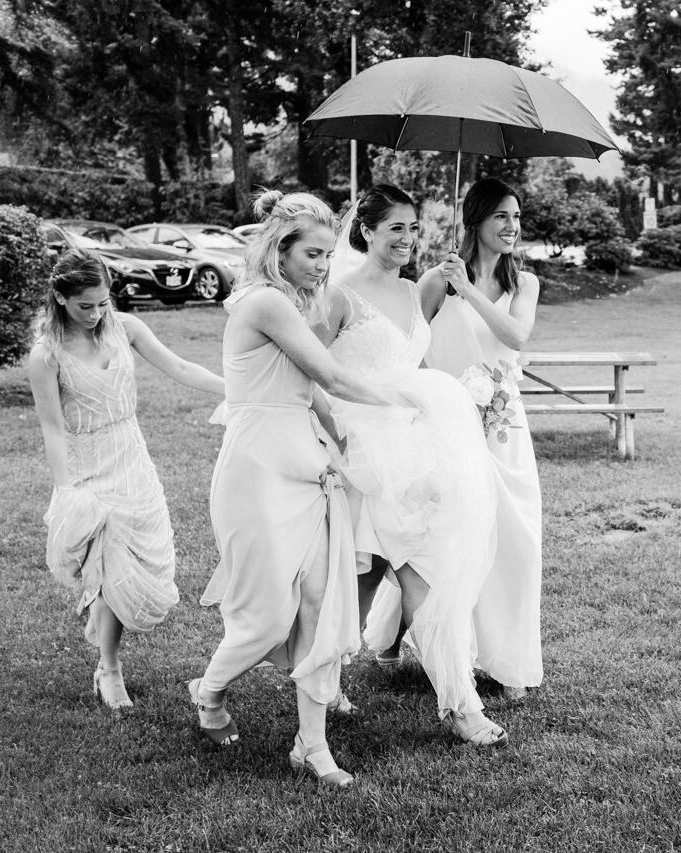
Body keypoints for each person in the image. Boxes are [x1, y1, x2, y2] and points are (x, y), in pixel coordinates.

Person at [190, 190, 412, 787]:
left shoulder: (294, 303)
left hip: (309, 467)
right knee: (266, 617)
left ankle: (311, 747)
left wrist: (341, 441)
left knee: (320, 604)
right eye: (313, 253)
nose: (324, 264)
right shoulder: (265, 302)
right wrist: (415, 401)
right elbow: (331, 374)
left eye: (328, 253)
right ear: (278, 250)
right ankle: (208, 692)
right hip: (257, 471)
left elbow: (310, 391)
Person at [320, 183, 507, 748]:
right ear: (367, 230)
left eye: (412, 228)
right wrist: (336, 443)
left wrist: (461, 399)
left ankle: (448, 700)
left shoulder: (411, 290)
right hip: (364, 454)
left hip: (414, 450)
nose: (407, 238)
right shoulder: (338, 296)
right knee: (364, 579)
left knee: (397, 573)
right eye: (395, 227)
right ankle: (459, 705)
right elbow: (314, 373)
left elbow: (416, 364)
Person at [28, 251, 225, 710]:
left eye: (103, 302)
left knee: (139, 566)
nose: (97, 314)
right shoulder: (46, 355)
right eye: (85, 306)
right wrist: (66, 492)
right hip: (87, 468)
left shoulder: (126, 328)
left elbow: (180, 368)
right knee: (110, 566)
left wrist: (234, 388)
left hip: (132, 458)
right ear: (60, 298)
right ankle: (109, 669)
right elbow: (53, 428)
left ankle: (104, 645)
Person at [413, 177, 544, 701]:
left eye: (516, 217)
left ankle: (509, 662)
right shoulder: (433, 281)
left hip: (506, 427)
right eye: (501, 217)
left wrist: (467, 291)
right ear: (475, 221)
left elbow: (516, 337)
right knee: (458, 542)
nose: (512, 227)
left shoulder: (524, 282)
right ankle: (457, 661)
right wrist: (439, 395)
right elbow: (411, 348)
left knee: (516, 541)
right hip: (452, 427)